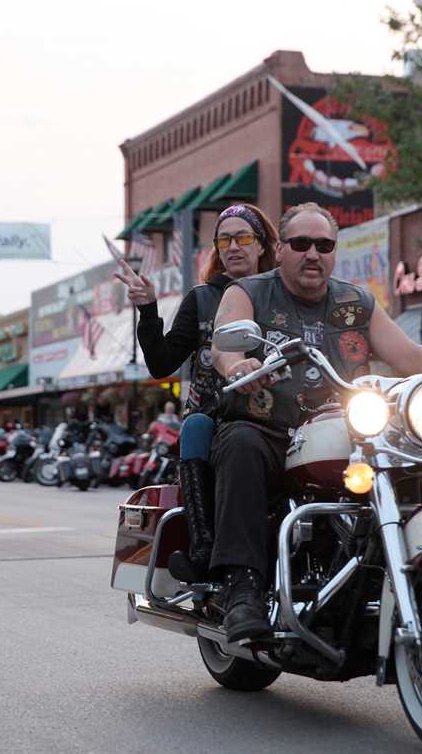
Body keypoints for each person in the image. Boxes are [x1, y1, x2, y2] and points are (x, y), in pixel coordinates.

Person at [208, 202, 422, 642]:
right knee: (241, 445)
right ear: (280, 249)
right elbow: (224, 344)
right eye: (301, 243)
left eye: (324, 245)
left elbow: (408, 356)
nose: (313, 254)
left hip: (344, 428)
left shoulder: (356, 302)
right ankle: (242, 589)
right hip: (268, 427)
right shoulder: (249, 292)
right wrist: (236, 367)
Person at [116, 203, 279, 581]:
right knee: (194, 427)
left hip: (276, 413)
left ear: (262, 245)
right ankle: (203, 547)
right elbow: (161, 363)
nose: (233, 247)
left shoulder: (281, 295)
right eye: (224, 239)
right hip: (214, 416)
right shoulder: (202, 298)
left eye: (243, 237)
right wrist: (148, 310)